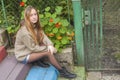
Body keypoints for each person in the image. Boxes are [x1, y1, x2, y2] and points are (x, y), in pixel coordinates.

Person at [14, 5, 76, 79]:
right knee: (48, 52)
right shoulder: (25, 32)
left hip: (30, 50)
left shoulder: (34, 25)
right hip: (23, 55)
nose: (34, 17)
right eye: (31, 15)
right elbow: (33, 48)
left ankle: (37, 61)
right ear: (27, 17)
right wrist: (48, 49)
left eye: (35, 14)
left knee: (44, 44)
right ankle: (62, 71)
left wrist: (50, 45)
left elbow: (43, 36)